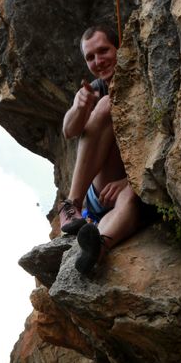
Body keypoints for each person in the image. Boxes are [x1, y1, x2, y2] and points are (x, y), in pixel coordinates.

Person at [59, 25, 142, 276]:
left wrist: (130, 181)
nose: (98, 61)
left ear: (119, 48)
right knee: (105, 104)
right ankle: (71, 204)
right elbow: (69, 130)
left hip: (132, 188)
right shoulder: (96, 89)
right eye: (90, 57)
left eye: (104, 51)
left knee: (131, 197)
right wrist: (80, 108)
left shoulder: (143, 80)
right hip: (100, 187)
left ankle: (97, 247)